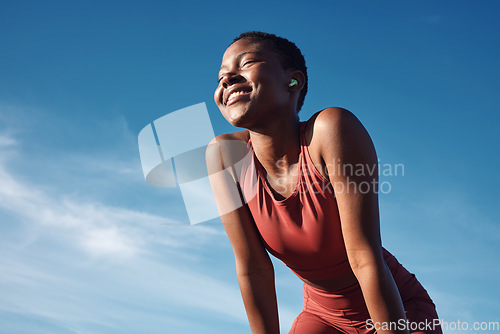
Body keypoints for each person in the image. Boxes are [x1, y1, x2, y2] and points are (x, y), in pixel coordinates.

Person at [206, 31, 441, 334]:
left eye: (247, 63)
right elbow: (253, 268)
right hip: (322, 317)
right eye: (221, 76)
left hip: (395, 309)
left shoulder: (331, 130)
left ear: (294, 81)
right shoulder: (226, 156)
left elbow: (364, 258)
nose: (227, 80)